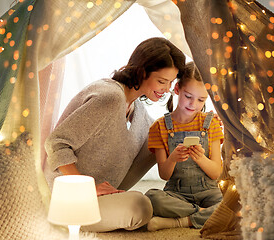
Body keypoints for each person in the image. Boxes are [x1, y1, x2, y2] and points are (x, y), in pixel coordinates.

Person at [44, 37, 186, 232]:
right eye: (162, 81)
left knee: (160, 138)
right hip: (69, 199)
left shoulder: (136, 108)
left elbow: (166, 133)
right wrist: (88, 189)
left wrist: (201, 119)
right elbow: (56, 143)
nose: (166, 89)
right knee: (141, 206)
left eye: (171, 83)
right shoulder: (109, 98)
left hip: (103, 192)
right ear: (141, 72)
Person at [145, 62, 224, 231]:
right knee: (151, 198)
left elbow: (216, 172)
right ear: (177, 89)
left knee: (238, 204)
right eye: (188, 96)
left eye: (201, 99)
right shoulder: (159, 127)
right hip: (177, 192)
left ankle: (179, 221)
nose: (193, 104)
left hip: (209, 191)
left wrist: (200, 158)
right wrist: (173, 157)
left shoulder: (211, 124)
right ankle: (204, 214)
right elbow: (164, 175)